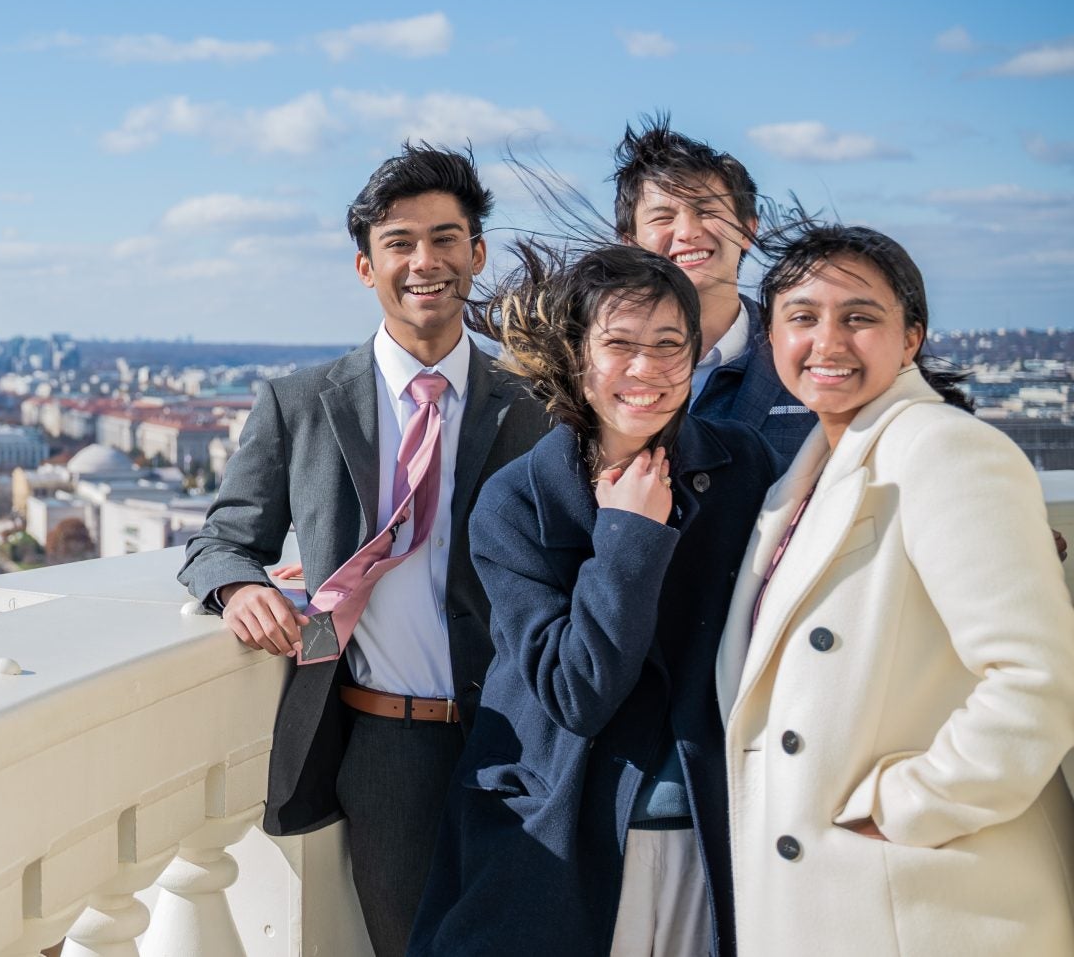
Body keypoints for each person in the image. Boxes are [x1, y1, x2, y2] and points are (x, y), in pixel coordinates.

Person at [178, 143, 551, 953]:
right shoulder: (300, 402)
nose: (427, 261)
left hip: (521, 742)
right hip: (386, 748)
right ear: (365, 266)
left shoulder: (533, 406)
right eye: (401, 242)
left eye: (448, 238)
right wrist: (240, 589)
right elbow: (219, 539)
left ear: (477, 254)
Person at [410, 244, 781, 957]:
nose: (646, 369)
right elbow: (577, 692)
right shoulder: (516, 502)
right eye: (619, 345)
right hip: (562, 834)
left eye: (670, 345)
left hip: (709, 828)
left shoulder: (743, 463)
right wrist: (628, 535)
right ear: (578, 354)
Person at [714, 225, 1074, 955]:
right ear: (772, 337)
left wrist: (906, 806)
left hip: (924, 899)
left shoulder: (946, 448)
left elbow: (1039, 679)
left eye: (860, 317)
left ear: (911, 337)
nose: (828, 342)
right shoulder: (803, 476)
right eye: (802, 317)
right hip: (835, 900)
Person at [613, 115, 814, 463]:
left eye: (707, 210)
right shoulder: (598, 367)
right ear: (629, 243)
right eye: (663, 217)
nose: (687, 232)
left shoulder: (806, 355)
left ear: (748, 230)